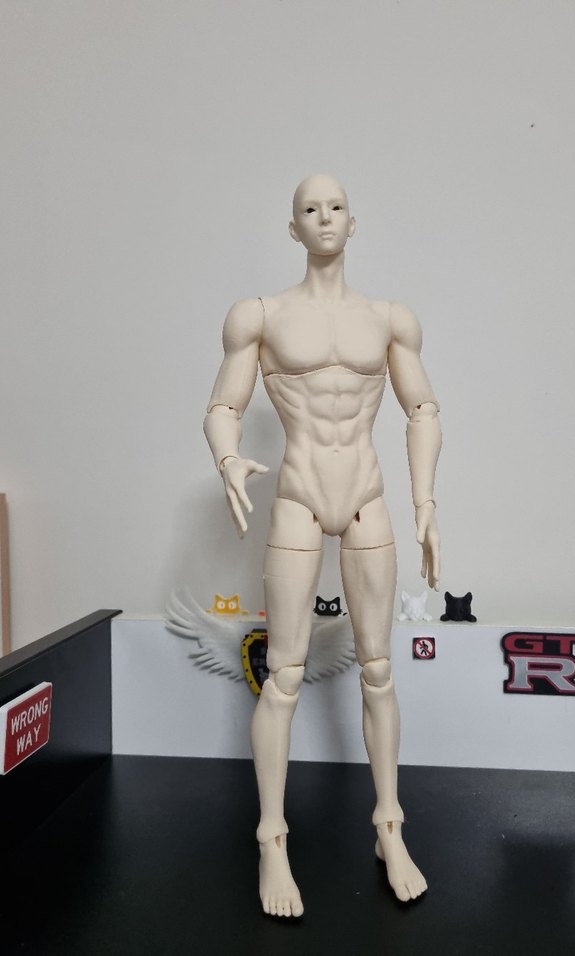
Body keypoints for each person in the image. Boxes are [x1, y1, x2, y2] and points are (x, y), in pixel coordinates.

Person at [203, 174, 441, 918]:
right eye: (310, 209)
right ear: (293, 228)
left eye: (335, 207)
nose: (325, 217)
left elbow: (422, 408)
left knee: (378, 669)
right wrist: (227, 457)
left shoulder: (389, 318)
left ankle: (389, 827)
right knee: (283, 675)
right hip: (299, 497)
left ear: (352, 222)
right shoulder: (260, 315)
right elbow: (223, 403)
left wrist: (426, 503)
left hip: (366, 496)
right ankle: (271, 838)